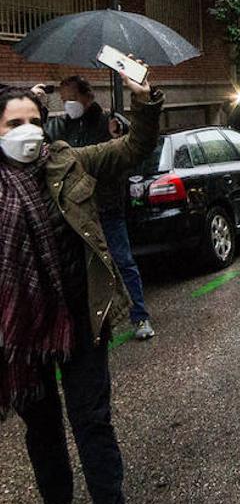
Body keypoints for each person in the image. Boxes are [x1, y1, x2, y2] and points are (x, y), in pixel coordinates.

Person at [1, 71, 159, 504]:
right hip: (23, 334)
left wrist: (145, 102)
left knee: (91, 419)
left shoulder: (69, 161)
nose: (27, 130)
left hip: (81, 318)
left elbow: (133, 150)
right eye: (13, 123)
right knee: (41, 425)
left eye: (34, 120)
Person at [44, 76, 155, 341]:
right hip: (78, 211)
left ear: (86, 96)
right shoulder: (61, 127)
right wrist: (40, 107)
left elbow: (130, 150)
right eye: (63, 99)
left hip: (106, 206)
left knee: (122, 260)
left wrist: (120, 130)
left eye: (70, 98)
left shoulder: (107, 121)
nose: (67, 104)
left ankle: (139, 316)